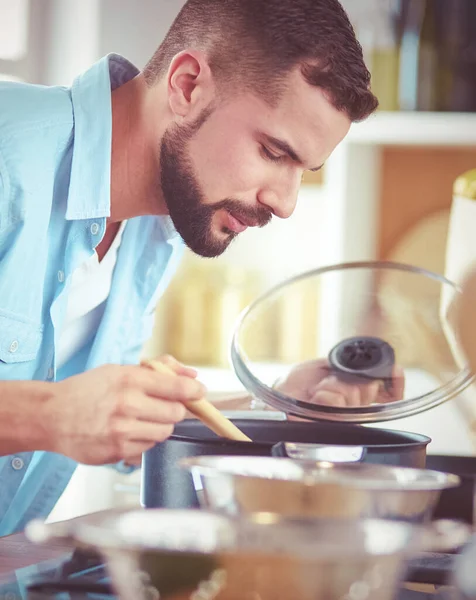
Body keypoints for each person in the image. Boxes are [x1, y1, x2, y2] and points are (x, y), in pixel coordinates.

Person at [0, 0, 378, 535]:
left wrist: (272, 402)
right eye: (274, 152)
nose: (287, 202)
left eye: (304, 170)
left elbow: (107, 411)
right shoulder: (6, 153)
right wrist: (48, 415)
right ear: (186, 85)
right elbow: (62, 410)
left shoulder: (159, 226)